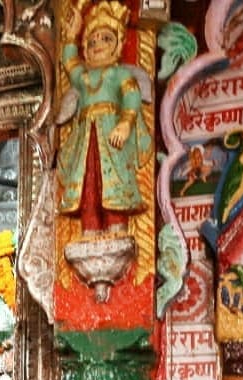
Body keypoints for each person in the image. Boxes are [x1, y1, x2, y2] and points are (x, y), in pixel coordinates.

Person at [56, 0, 151, 234]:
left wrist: (126, 123)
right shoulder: (85, 77)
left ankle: (117, 226)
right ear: (85, 49)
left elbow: (131, 95)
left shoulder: (118, 73)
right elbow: (69, 62)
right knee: (88, 181)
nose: (98, 44)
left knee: (113, 180)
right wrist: (72, 34)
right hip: (86, 135)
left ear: (118, 45)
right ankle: (90, 228)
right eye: (92, 40)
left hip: (111, 134)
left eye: (106, 38)